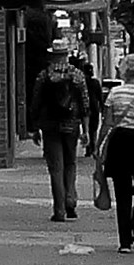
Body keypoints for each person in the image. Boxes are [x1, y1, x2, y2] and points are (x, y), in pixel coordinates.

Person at [92, 52, 134, 255]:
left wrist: (98, 146)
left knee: (122, 191)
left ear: (124, 71)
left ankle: (124, 241)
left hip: (121, 141)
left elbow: (107, 123)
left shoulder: (115, 93)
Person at [33, 32, 94, 225]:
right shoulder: (77, 75)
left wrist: (35, 127)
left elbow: (36, 103)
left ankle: (59, 210)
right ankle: (71, 200)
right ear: (66, 55)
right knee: (70, 164)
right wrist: (85, 131)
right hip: (71, 125)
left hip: (49, 125)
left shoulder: (44, 76)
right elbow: (85, 104)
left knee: (55, 168)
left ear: (52, 56)